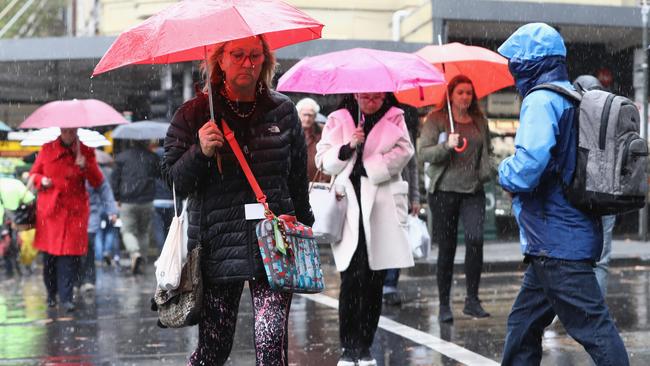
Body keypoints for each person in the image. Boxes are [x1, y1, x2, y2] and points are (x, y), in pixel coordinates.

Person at [163, 35, 313, 366]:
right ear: (219, 60)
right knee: (214, 351)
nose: (248, 63)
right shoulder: (194, 114)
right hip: (218, 244)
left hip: (275, 243)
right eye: (238, 55)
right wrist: (199, 152)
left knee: (271, 345)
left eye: (255, 56)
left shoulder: (283, 110)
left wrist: (305, 226)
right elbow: (175, 180)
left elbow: (296, 179)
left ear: (266, 60)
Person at [497, 23, 629, 365]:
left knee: (594, 329)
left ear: (530, 62)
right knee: (523, 325)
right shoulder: (570, 95)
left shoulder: (541, 100)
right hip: (560, 235)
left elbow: (530, 164)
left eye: (516, 60)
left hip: (556, 240)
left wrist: (504, 172)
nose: (512, 67)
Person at [316, 92, 414, 366]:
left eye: (377, 97)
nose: (371, 102)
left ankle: (365, 346)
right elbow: (322, 159)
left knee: (374, 279)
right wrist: (348, 147)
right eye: (366, 97)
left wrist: (372, 165)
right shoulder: (338, 118)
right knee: (351, 277)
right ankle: (348, 348)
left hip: (381, 205)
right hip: (347, 205)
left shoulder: (396, 117)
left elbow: (406, 151)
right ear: (355, 94)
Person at [418, 75, 494, 323]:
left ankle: (472, 300)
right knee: (447, 248)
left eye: (469, 93)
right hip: (444, 192)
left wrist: (490, 170)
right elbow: (424, 153)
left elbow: (488, 151)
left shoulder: (479, 121)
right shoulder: (437, 119)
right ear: (451, 94)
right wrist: (446, 146)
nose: (465, 97)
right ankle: (443, 304)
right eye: (460, 92)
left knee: (475, 240)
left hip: (473, 190)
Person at [30, 128, 104, 312]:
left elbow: (97, 181)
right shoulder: (47, 149)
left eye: (72, 131)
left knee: (69, 258)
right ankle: (51, 294)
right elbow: (33, 175)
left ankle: (66, 297)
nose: (68, 134)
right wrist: (42, 181)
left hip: (74, 213)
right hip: (50, 212)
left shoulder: (85, 151)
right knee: (50, 259)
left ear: (76, 131)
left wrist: (85, 165)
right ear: (61, 131)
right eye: (65, 131)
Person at [572, 74, 616, 297]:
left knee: (572, 259)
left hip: (579, 196)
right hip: (607, 195)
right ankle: (596, 314)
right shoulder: (613, 116)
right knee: (601, 260)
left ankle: (579, 310)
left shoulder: (572, 116)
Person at [383, 97, 421, 306]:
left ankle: (390, 284)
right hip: (379, 193)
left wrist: (415, 197)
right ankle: (380, 281)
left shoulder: (404, 132)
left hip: (400, 194)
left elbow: (413, 166)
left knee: (397, 239)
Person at [111, 140, 160, 274]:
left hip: (128, 200)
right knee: (143, 231)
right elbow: (159, 174)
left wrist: (116, 197)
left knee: (127, 231)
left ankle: (135, 254)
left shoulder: (121, 158)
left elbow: (114, 179)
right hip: (147, 200)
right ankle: (142, 260)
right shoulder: (152, 157)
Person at [78, 175, 118, 292]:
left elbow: (104, 189)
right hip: (75, 214)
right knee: (78, 248)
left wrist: (112, 210)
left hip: (91, 212)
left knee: (88, 244)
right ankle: (79, 279)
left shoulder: (93, 170)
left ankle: (88, 279)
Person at [297, 97, 329, 182]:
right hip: (297, 179)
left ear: (315, 116)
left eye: (310, 115)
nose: (307, 119)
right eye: (305, 115)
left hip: (318, 181)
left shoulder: (323, 131)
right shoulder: (291, 131)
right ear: (298, 114)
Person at [152, 145, 175, 252]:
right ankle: (168, 252)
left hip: (156, 202)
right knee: (168, 229)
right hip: (170, 202)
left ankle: (161, 253)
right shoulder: (170, 169)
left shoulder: (153, 170)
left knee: (158, 230)